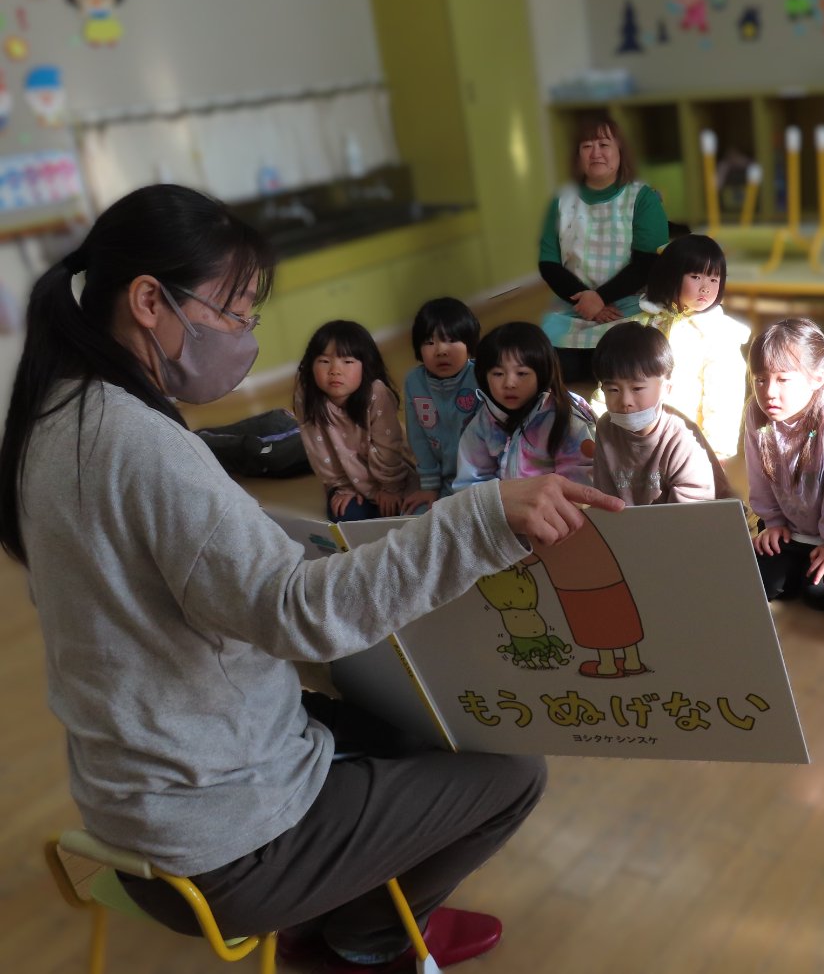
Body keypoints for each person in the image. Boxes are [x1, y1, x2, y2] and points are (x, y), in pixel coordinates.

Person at [0, 184, 623, 971]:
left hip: (130, 812)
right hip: (227, 846)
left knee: (397, 718)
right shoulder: (143, 447)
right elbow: (298, 615)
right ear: (150, 301)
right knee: (511, 770)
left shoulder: (54, 416)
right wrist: (483, 519)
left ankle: (340, 906)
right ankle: (367, 939)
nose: (245, 336)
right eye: (234, 313)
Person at [744, 317, 824, 610]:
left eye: (783, 379)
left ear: (816, 379)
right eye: (760, 379)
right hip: (791, 529)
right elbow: (757, 474)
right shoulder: (756, 412)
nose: (769, 392)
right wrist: (773, 523)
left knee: (819, 595)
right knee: (759, 583)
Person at [538, 115, 670, 383]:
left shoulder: (642, 198)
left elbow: (647, 263)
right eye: (587, 146)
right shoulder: (561, 201)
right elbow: (549, 264)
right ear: (577, 156)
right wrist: (588, 303)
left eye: (604, 144)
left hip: (629, 309)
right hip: (574, 309)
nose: (595, 153)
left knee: (622, 369)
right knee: (556, 370)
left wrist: (600, 298)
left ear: (620, 151)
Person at [591, 321, 731, 505]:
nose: (625, 401)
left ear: (666, 389)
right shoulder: (605, 428)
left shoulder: (682, 437)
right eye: (613, 390)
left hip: (693, 519)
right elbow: (604, 497)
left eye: (637, 388)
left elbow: (694, 512)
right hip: (630, 522)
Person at [637, 233, 751, 459]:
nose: (706, 288)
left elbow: (724, 395)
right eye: (696, 276)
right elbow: (619, 377)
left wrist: (717, 450)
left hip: (690, 444)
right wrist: (600, 424)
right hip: (639, 436)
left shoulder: (719, 334)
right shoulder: (646, 324)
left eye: (714, 279)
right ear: (671, 275)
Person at [293, 319, 416, 524]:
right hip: (346, 480)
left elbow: (388, 447)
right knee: (348, 516)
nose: (335, 370)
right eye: (324, 361)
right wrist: (344, 487)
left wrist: (390, 488)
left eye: (347, 361)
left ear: (365, 365)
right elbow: (318, 451)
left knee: (410, 510)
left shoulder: (376, 393)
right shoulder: (306, 396)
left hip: (389, 474)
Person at [453, 321, 596, 489]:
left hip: (555, 504)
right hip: (504, 503)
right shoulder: (486, 419)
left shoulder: (567, 418)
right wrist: (498, 502)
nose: (509, 383)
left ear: (543, 373)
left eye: (521, 373)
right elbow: (470, 481)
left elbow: (579, 485)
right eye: (498, 374)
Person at [401, 297, 482, 514]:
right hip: (443, 482)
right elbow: (418, 437)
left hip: (482, 479)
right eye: (429, 342)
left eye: (451, 340)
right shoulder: (414, 382)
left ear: (470, 343)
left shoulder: (480, 376)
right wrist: (429, 486)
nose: (441, 350)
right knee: (412, 519)